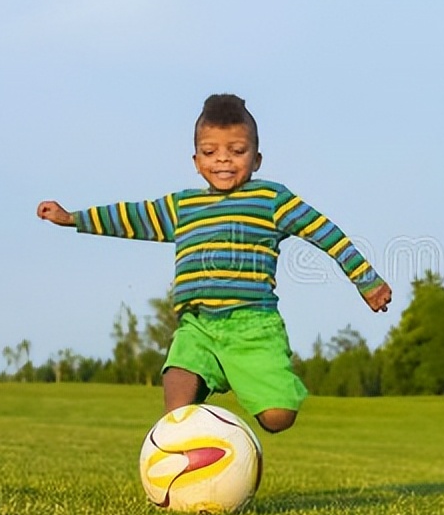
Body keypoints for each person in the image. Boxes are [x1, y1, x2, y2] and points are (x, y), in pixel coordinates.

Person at [36, 93, 392, 434]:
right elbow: (132, 216)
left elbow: (325, 233)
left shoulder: (271, 199)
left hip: (253, 326)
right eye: (210, 151)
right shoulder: (183, 206)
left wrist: (366, 280)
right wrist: (73, 218)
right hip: (198, 325)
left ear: (256, 159)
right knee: (176, 400)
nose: (223, 160)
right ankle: (188, 464)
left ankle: (247, 378)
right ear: (196, 161)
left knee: (278, 416)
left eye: (237, 151)